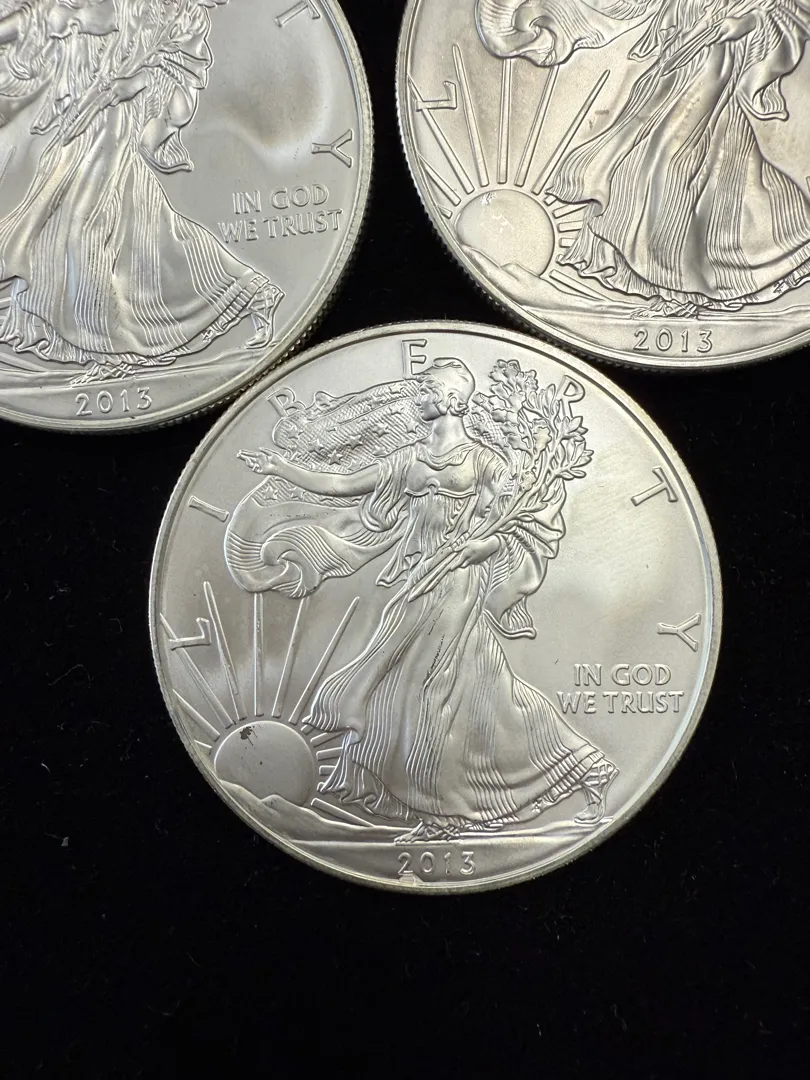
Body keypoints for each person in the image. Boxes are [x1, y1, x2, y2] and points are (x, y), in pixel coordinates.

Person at [235, 358, 616, 842]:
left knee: (429, 688)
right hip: (418, 580)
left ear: (453, 400)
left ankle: (441, 815)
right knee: (481, 691)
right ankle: (585, 768)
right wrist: (281, 468)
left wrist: (483, 545)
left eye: (427, 389)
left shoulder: (484, 462)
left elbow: (519, 523)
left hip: (458, 582)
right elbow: (343, 486)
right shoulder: (407, 460)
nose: (418, 397)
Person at [0, 0, 283, 377]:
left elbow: (178, 61)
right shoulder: (58, 13)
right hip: (83, 124)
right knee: (140, 228)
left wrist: (133, 81)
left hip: (114, 123)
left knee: (84, 229)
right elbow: (39, 44)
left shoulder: (163, 11)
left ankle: (111, 349)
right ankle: (250, 292)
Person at [477, 0, 810, 314]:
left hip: (712, 68)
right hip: (677, 65)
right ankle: (681, 284)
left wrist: (739, 24)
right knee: (657, 164)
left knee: (670, 164)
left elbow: (776, 12)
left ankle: (686, 281)